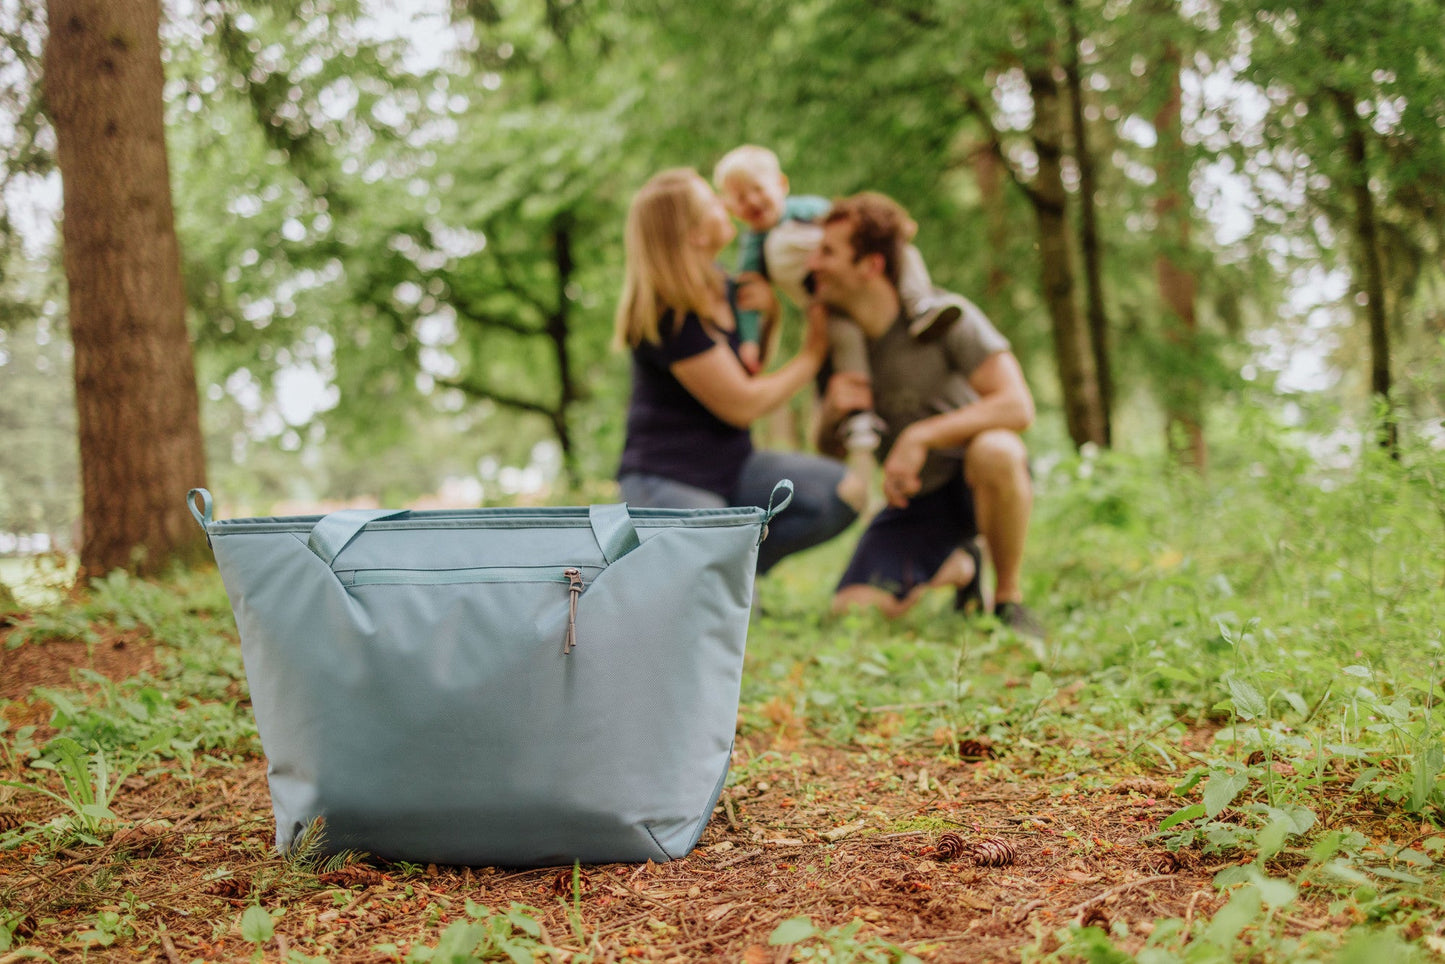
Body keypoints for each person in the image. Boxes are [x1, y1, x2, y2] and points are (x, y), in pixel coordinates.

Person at [807, 191, 1042, 636]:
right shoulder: (842, 350)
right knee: (851, 611)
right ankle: (962, 566)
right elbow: (828, 448)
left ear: (870, 265)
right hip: (917, 500)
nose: (813, 263)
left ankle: (1008, 599)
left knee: (996, 449)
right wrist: (830, 414)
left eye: (828, 252)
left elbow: (1018, 405)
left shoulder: (945, 316)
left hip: (975, 480)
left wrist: (920, 436)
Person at [614, 168, 858, 575]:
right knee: (713, 603)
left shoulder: (723, 285)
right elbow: (742, 404)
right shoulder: (666, 315)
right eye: (712, 201)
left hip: (733, 467)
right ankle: (724, 578)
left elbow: (746, 371)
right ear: (693, 233)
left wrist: (771, 317)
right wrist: (812, 355)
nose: (726, 205)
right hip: (669, 480)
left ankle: (737, 574)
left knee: (844, 492)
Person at [712, 146, 969, 511]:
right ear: (731, 208)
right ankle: (860, 431)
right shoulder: (754, 249)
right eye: (740, 197)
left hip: (867, 294)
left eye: (758, 188)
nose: (752, 200)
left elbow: (859, 224)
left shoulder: (810, 212)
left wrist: (890, 230)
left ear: (781, 185)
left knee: (907, 255)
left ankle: (921, 304)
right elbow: (749, 300)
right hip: (828, 310)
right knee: (848, 356)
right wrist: (750, 341)